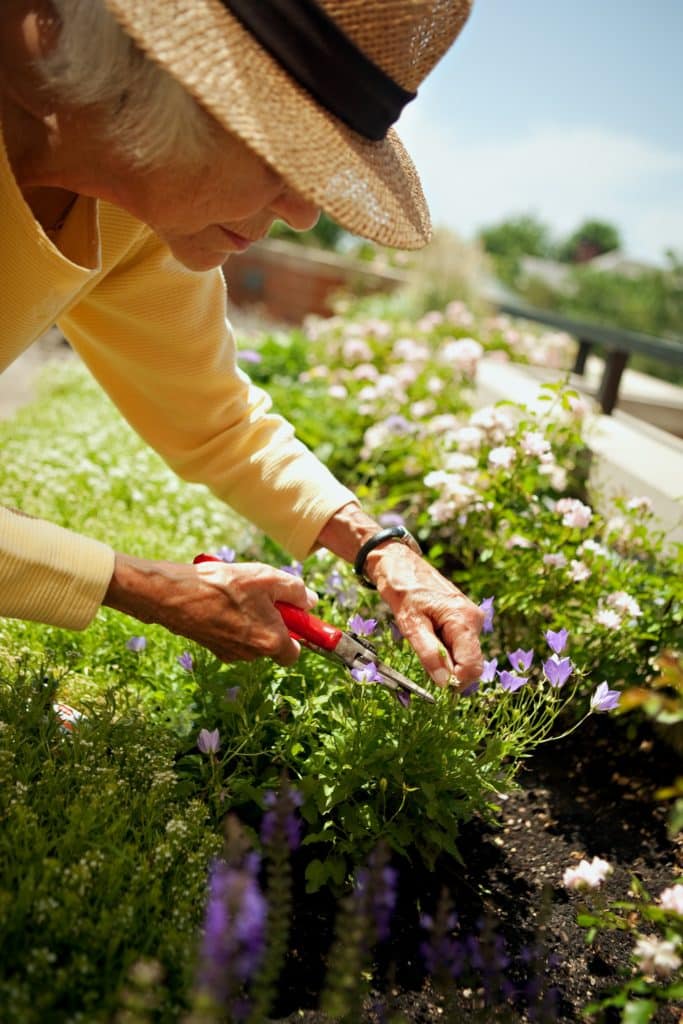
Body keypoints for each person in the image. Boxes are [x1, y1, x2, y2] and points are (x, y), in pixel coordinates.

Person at [0, 0, 484, 690]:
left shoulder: (132, 211)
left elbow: (216, 420)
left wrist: (381, 550)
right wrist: (145, 587)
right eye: (284, 153)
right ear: (170, 78)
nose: (303, 211)